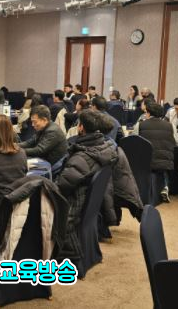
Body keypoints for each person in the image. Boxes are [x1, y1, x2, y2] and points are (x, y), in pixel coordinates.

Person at [56, 109, 119, 263]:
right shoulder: (106, 147)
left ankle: (70, 256)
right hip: (90, 204)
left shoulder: (81, 157)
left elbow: (61, 187)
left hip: (74, 205)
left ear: (81, 127)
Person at [132, 102, 178, 202]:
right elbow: (177, 143)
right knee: (163, 167)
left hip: (145, 161)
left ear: (148, 113)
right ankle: (165, 186)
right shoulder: (171, 126)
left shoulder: (140, 125)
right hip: (165, 161)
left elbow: (134, 141)